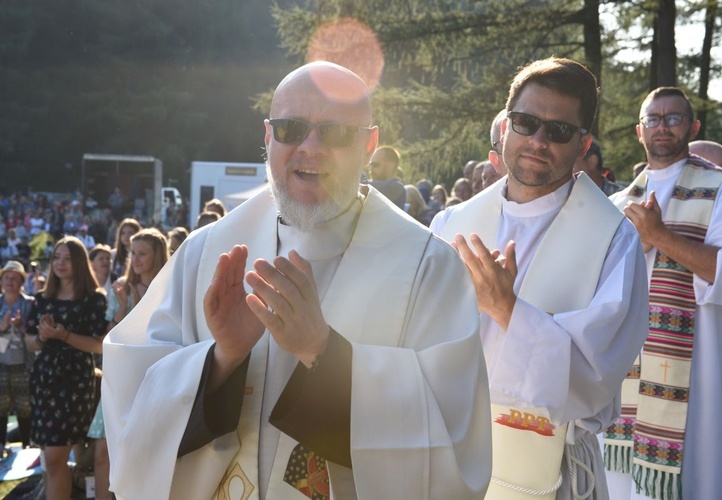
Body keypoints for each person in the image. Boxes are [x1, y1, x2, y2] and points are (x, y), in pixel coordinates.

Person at [102, 61, 491, 500]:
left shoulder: (428, 268)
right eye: (291, 129)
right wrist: (220, 360)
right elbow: (131, 394)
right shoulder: (205, 252)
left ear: (369, 144)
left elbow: (452, 435)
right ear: (268, 137)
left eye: (336, 133)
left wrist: (323, 353)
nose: (311, 147)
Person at [431, 57, 649, 499]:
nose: (538, 140)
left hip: (552, 467)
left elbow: (595, 375)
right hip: (449, 455)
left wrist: (507, 310)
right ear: (505, 127)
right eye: (526, 122)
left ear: (583, 143)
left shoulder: (613, 239)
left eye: (559, 131)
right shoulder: (452, 222)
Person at [606, 87, 722, 500]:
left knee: (697, 479)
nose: (663, 127)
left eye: (674, 118)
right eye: (653, 118)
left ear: (693, 126)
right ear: (639, 130)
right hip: (627, 381)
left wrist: (660, 237)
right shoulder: (617, 204)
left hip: (698, 376)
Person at [88, 229, 170, 500]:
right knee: (103, 450)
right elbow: (107, 339)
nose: (134, 259)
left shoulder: (169, 288)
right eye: (132, 253)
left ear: (157, 255)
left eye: (142, 253)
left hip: (154, 378)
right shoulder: (121, 288)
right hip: (120, 378)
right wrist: (122, 307)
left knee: (143, 453)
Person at [25, 237, 108, 500]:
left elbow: (99, 345)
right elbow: (30, 342)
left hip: (74, 382)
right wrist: (43, 336)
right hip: (44, 380)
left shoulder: (94, 299)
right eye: (56, 257)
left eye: (67, 258)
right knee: (49, 460)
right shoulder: (42, 298)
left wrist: (64, 336)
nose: (60, 263)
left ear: (80, 262)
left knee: (55, 456)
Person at [0, 261, 34, 451]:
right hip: (1, 364)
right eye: (6, 277)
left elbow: (35, 330)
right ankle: (1, 445)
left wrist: (22, 325)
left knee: (25, 406)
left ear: (21, 281)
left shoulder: (29, 303)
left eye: (14, 278)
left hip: (24, 364)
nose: (10, 281)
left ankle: (26, 445)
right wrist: (3, 327)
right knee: (0, 405)